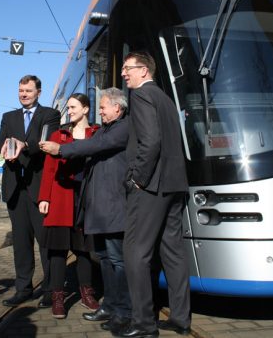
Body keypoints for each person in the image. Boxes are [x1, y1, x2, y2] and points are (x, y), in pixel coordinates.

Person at [40, 87, 131, 333]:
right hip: (86, 203)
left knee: (109, 257)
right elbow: (50, 169)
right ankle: (109, 305)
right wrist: (44, 197)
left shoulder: (113, 130)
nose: (101, 111)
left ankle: (116, 306)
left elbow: (90, 148)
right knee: (103, 256)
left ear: (117, 108)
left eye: (103, 107)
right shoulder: (99, 130)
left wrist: (60, 150)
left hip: (105, 203)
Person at [118, 51, 191, 337]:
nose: (124, 73)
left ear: (144, 71)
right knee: (173, 253)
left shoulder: (142, 96)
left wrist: (138, 179)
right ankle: (181, 319)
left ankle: (144, 324)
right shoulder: (165, 98)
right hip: (174, 185)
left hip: (151, 186)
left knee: (135, 252)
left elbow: (150, 142)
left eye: (128, 68)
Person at [0, 75, 60, 308]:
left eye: (28, 91)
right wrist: (2, 145)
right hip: (15, 188)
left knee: (45, 242)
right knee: (21, 243)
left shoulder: (50, 115)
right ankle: (23, 288)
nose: (23, 94)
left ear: (38, 92)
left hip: (39, 188)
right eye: (20, 90)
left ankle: (51, 289)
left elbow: (45, 142)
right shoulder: (8, 117)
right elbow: (0, 138)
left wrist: (25, 145)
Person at [37, 93, 100, 319]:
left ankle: (86, 293)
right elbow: (49, 170)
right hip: (61, 198)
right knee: (57, 250)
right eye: (68, 107)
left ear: (85, 109)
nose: (69, 111)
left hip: (86, 199)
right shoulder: (59, 135)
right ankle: (57, 297)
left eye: (73, 107)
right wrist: (44, 198)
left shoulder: (97, 134)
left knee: (84, 250)